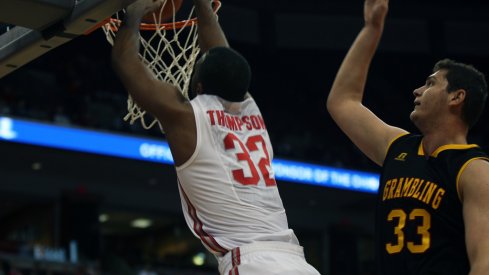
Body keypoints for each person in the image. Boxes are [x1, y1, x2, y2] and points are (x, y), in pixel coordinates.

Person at [111, 0, 321, 274]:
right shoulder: (250, 109)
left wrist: (134, 14)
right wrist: (202, 4)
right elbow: (222, 53)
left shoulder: (186, 116)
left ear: (198, 87)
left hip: (254, 264)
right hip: (297, 262)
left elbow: (124, 62)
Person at [326, 0, 489, 274]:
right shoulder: (398, 147)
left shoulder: (474, 170)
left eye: (430, 83)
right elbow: (342, 102)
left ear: (457, 97)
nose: (417, 90)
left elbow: (484, 262)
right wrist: (372, 29)